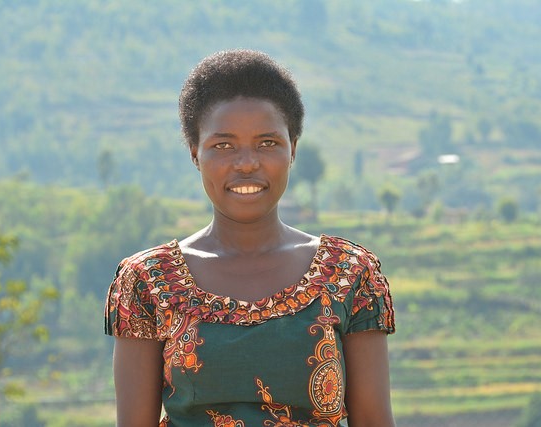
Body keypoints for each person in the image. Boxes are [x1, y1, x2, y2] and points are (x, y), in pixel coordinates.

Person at [104, 49, 396, 427]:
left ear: (293, 149)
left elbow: (373, 420)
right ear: (195, 153)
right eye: (223, 145)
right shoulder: (148, 281)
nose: (246, 163)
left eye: (267, 143)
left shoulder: (350, 275)